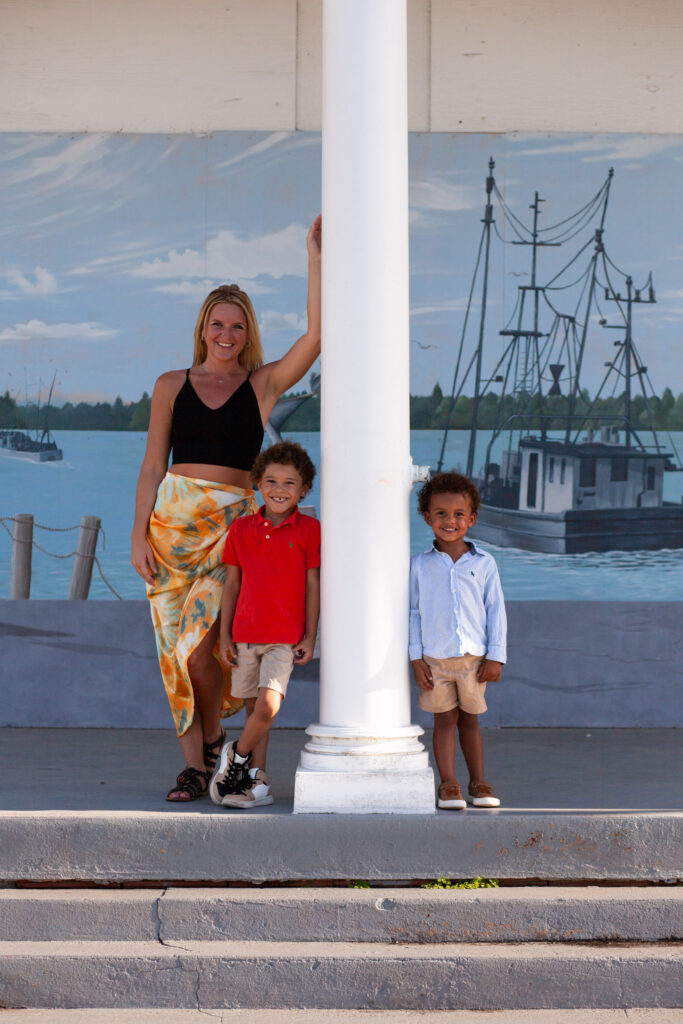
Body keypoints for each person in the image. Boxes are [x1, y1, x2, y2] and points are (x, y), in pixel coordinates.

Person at [131, 216, 321, 802]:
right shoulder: (170, 384)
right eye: (217, 323)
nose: (226, 333)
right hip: (171, 531)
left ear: (248, 332)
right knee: (176, 657)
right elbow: (150, 467)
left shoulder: (261, 386)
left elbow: (316, 338)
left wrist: (314, 257)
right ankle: (201, 759)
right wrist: (138, 536)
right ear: (203, 328)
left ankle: (213, 746)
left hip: (229, 532)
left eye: (237, 325)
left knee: (206, 646)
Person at [209, 441, 320, 808]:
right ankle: (257, 780)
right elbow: (232, 584)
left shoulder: (309, 530)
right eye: (271, 481)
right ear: (258, 484)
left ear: (304, 489)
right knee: (255, 711)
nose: (279, 490)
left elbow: (313, 585)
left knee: (268, 707)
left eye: (290, 483)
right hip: (244, 636)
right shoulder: (241, 529)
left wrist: (310, 635)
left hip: (284, 640)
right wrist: (224, 635)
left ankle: (236, 756)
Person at [409, 471, 506, 810]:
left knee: (470, 719)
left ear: (472, 518)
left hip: (473, 660)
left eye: (458, 514)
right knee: (444, 719)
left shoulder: (484, 563)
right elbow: (414, 612)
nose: (450, 521)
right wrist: (415, 657)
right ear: (427, 517)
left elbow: (495, 611)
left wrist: (496, 655)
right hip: (434, 659)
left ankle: (479, 781)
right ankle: (447, 783)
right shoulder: (419, 565)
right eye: (441, 514)